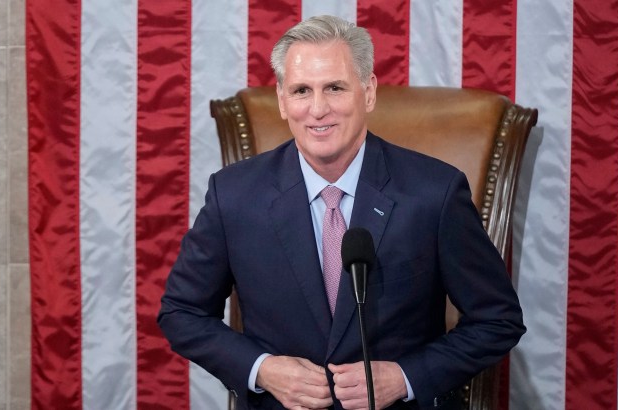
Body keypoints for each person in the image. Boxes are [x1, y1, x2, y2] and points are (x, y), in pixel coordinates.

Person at [158, 15, 525, 410]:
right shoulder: (234, 195)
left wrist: (405, 378)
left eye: (335, 87)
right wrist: (263, 370)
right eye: (301, 90)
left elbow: (497, 320)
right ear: (283, 100)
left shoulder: (433, 192)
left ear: (367, 93)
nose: (318, 109)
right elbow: (182, 312)